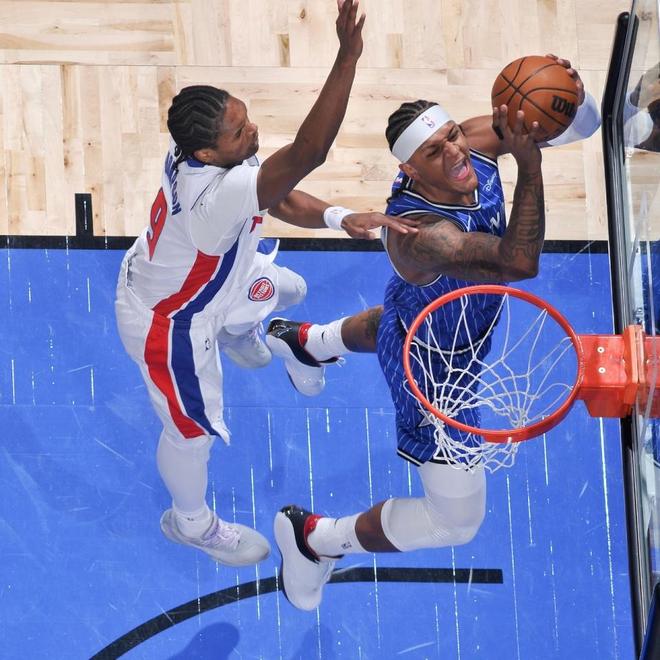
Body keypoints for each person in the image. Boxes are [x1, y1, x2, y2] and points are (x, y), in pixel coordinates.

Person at [266, 56, 602, 609]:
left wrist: (574, 97)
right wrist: (531, 167)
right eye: (434, 153)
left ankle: (305, 342)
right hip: (435, 374)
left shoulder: (470, 142)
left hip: (422, 313)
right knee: (456, 522)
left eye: (451, 136)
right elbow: (518, 263)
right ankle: (316, 540)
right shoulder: (421, 236)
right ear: (411, 171)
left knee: (393, 319)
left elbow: (569, 123)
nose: (454, 153)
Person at [114, 0, 418, 568]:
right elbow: (308, 153)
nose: (253, 130)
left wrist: (338, 217)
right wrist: (347, 58)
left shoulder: (205, 158)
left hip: (206, 280)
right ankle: (191, 523)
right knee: (192, 434)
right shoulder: (215, 196)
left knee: (289, 289)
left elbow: (276, 194)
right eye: (240, 131)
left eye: (247, 117)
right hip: (172, 323)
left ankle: (245, 333)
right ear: (207, 152)